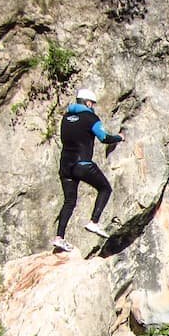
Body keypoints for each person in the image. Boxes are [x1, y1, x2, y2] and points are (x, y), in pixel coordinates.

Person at [52, 88, 125, 252]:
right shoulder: (90, 118)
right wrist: (119, 137)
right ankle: (94, 222)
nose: (93, 107)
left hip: (65, 165)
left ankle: (59, 238)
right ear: (88, 102)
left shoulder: (65, 118)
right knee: (105, 188)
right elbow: (104, 137)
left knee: (69, 202)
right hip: (82, 164)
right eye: (93, 104)